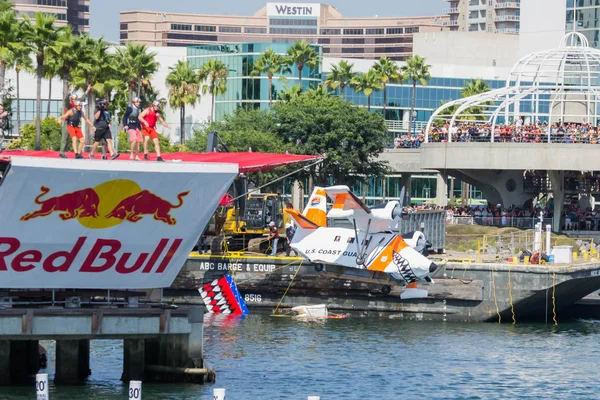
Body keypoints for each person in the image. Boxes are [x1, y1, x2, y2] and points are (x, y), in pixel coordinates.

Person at [59, 85, 92, 158]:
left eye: (75, 99)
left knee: (76, 139)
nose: (74, 100)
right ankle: (62, 152)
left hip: (75, 124)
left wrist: (88, 89)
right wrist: (68, 93)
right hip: (67, 122)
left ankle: (78, 153)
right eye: (73, 99)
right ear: (71, 99)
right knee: (65, 138)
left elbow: (83, 97)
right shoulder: (69, 105)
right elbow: (66, 99)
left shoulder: (77, 105)